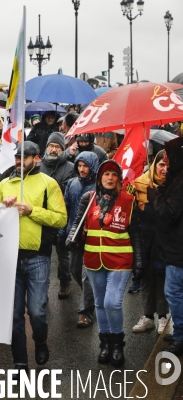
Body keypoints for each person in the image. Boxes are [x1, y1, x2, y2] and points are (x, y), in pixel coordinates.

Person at [0, 141, 67, 371]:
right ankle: (20, 361)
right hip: (10, 258)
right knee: (13, 315)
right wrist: (2, 207)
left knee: (37, 311)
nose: (19, 162)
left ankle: (40, 341)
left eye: (24, 157)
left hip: (38, 258)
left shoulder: (48, 183)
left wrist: (32, 211)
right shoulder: (5, 183)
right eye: (17, 157)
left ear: (37, 159)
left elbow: (61, 218)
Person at [65, 160, 143, 366]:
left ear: (119, 179)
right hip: (92, 260)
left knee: (112, 302)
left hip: (120, 260)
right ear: (100, 178)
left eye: (114, 174)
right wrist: (71, 237)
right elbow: (77, 222)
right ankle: (105, 344)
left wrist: (139, 262)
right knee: (99, 303)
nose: (110, 178)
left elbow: (135, 233)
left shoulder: (129, 200)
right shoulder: (88, 198)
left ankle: (117, 345)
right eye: (106, 174)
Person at [147, 136, 183, 356]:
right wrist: (159, 190)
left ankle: (181, 335)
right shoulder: (176, 177)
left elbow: (168, 212)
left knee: (174, 292)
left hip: (179, 250)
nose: (167, 162)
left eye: (170, 156)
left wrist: (153, 194)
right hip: (174, 248)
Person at [60, 151, 99, 328]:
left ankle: (86, 312)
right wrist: (63, 230)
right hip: (74, 234)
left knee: (86, 275)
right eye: (80, 166)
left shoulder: (99, 186)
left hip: (91, 235)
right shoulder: (72, 184)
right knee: (75, 269)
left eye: (86, 166)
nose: (82, 170)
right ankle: (93, 297)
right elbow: (66, 207)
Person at [132, 150, 169, 334]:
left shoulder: (174, 185)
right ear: (154, 165)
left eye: (168, 165)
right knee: (146, 278)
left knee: (163, 278)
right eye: (161, 164)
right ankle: (148, 317)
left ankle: (163, 317)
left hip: (166, 240)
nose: (164, 169)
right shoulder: (140, 184)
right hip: (145, 240)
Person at [39, 132, 76, 299]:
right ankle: (42, 288)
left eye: (57, 147)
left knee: (63, 254)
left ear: (63, 149)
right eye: (51, 146)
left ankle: (65, 282)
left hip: (61, 215)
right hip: (42, 217)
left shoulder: (70, 167)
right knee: (43, 255)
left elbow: (68, 191)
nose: (53, 150)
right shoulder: (38, 166)